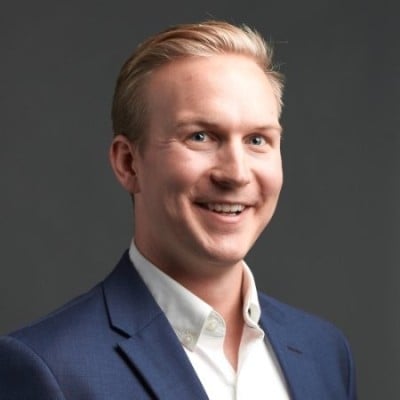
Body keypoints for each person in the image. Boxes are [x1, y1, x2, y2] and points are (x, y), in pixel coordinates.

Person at [0, 20, 357, 399]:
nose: (236, 173)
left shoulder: (325, 353)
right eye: (200, 136)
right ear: (128, 163)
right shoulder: (48, 368)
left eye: (257, 139)